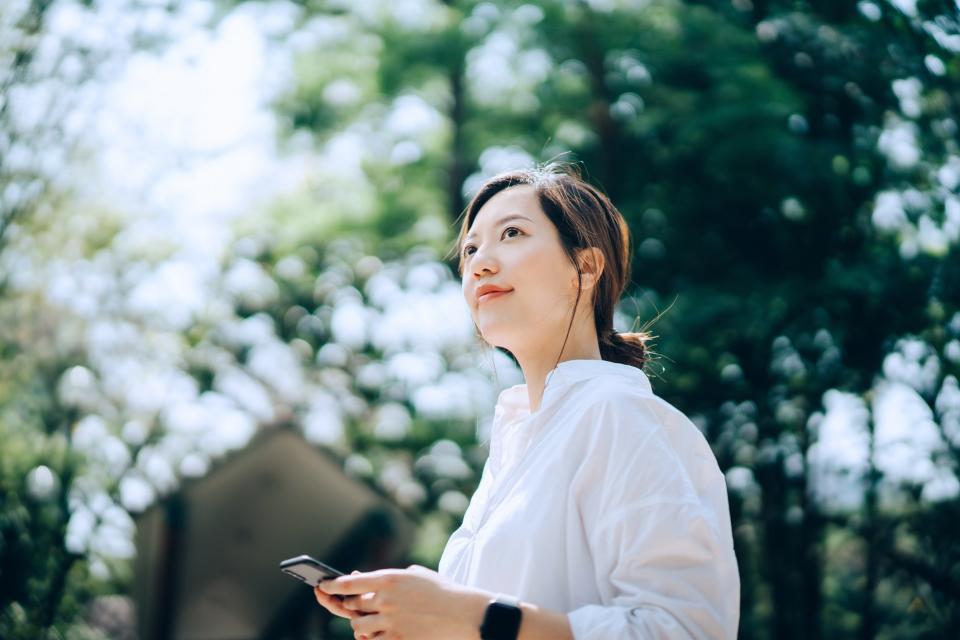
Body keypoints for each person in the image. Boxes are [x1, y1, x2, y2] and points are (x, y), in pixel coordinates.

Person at [314, 163, 740, 639]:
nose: (479, 263)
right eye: (471, 249)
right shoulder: (514, 445)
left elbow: (684, 629)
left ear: (586, 267)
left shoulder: (618, 415)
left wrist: (471, 615)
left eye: (512, 233)